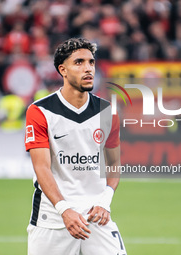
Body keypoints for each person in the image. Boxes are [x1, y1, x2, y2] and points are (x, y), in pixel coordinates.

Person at [24, 38, 127, 254]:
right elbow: (41, 167)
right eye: (79, 62)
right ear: (63, 70)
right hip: (53, 218)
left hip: (96, 216)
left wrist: (105, 202)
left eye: (91, 62)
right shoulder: (40, 111)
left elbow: (114, 163)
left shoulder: (108, 112)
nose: (88, 68)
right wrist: (64, 210)